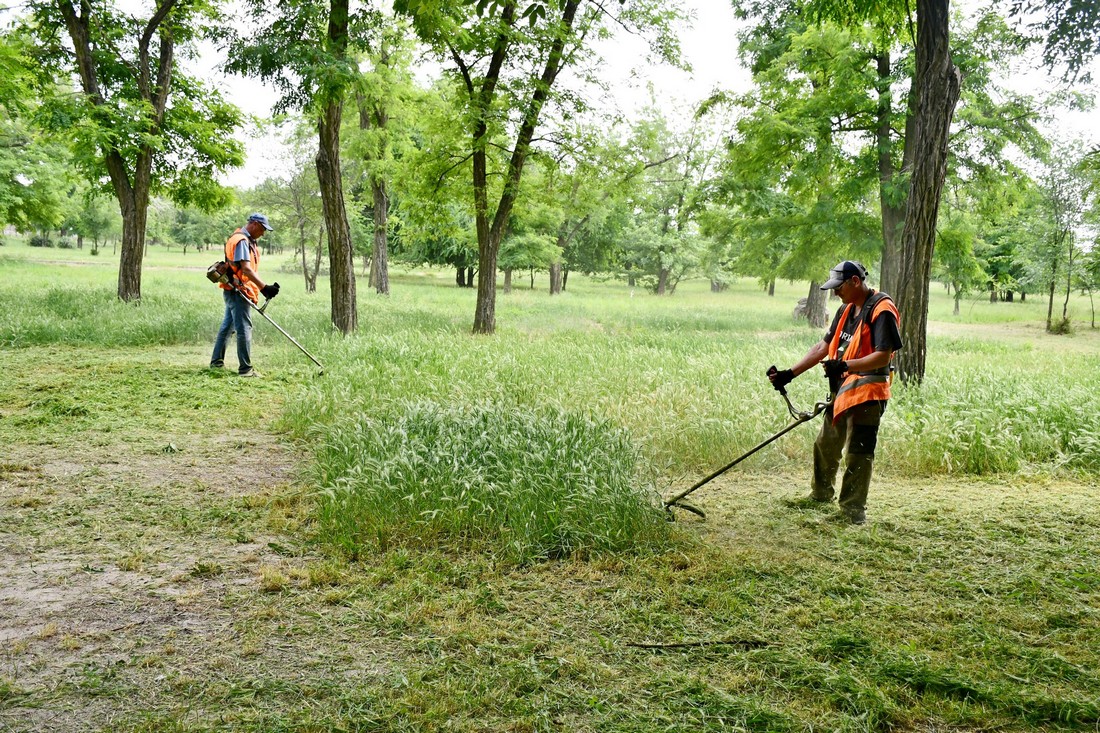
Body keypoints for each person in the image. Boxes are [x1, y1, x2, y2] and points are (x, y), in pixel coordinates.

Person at [768, 261, 903, 524]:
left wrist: (845, 365)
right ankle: (820, 495)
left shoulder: (881, 309)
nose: (835, 293)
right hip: (843, 391)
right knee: (826, 444)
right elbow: (824, 346)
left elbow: (883, 356)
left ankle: (852, 512)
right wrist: (790, 373)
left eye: (838, 287)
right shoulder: (845, 310)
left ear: (855, 281)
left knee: (858, 452)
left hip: (869, 393)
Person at [210, 213, 280, 377]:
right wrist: (264, 288)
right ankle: (245, 370)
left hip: (232, 290)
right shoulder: (242, 241)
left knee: (227, 327)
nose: (263, 234)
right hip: (238, 291)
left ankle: (216, 363)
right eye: (262, 229)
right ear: (255, 224)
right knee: (244, 329)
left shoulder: (238, 238)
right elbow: (246, 269)